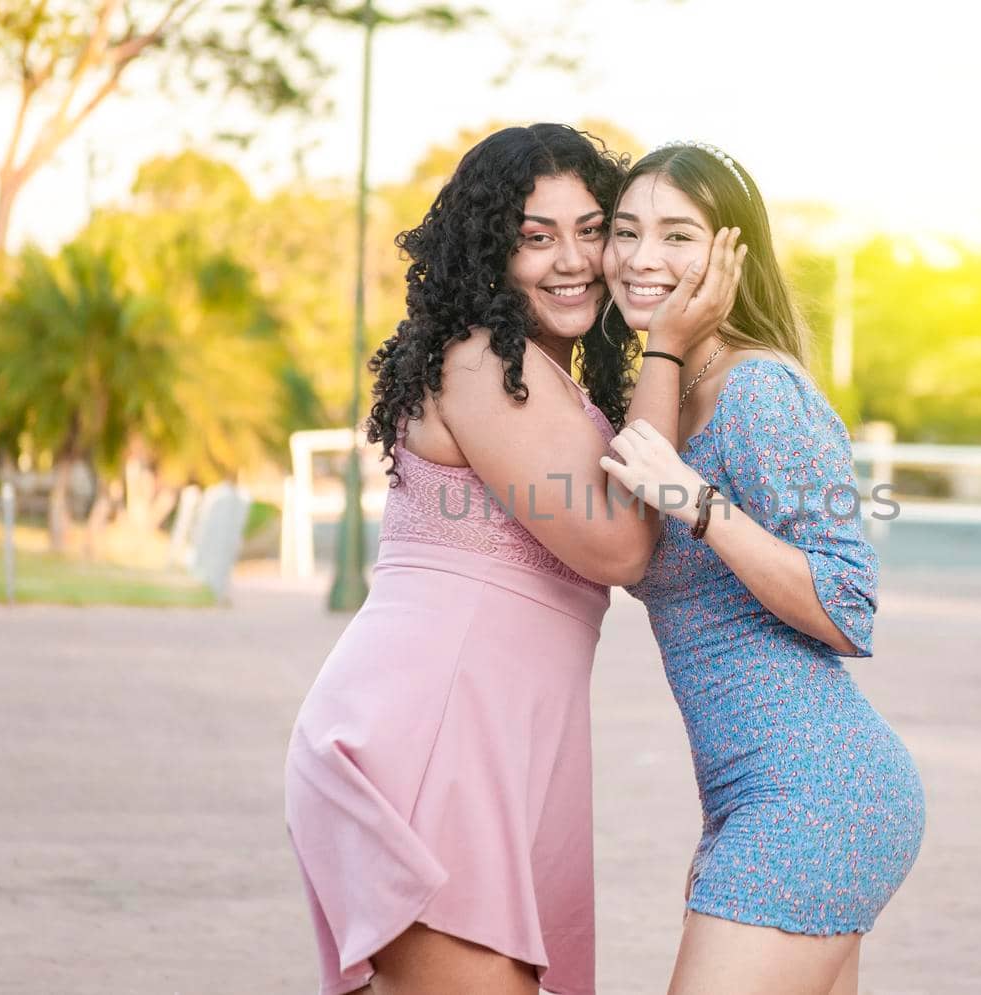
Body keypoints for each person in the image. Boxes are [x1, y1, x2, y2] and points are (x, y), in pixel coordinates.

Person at [284, 124, 740, 995]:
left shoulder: (547, 376)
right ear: (491, 251)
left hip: (502, 745)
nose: (572, 259)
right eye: (536, 237)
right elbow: (617, 542)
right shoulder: (482, 361)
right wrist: (670, 345)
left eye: (592, 228)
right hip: (433, 742)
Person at [597, 141, 926, 995]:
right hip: (753, 798)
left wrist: (699, 503)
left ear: (732, 254)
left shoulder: (760, 392)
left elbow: (849, 605)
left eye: (677, 235)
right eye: (625, 231)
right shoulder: (666, 385)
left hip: (818, 790)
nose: (641, 258)